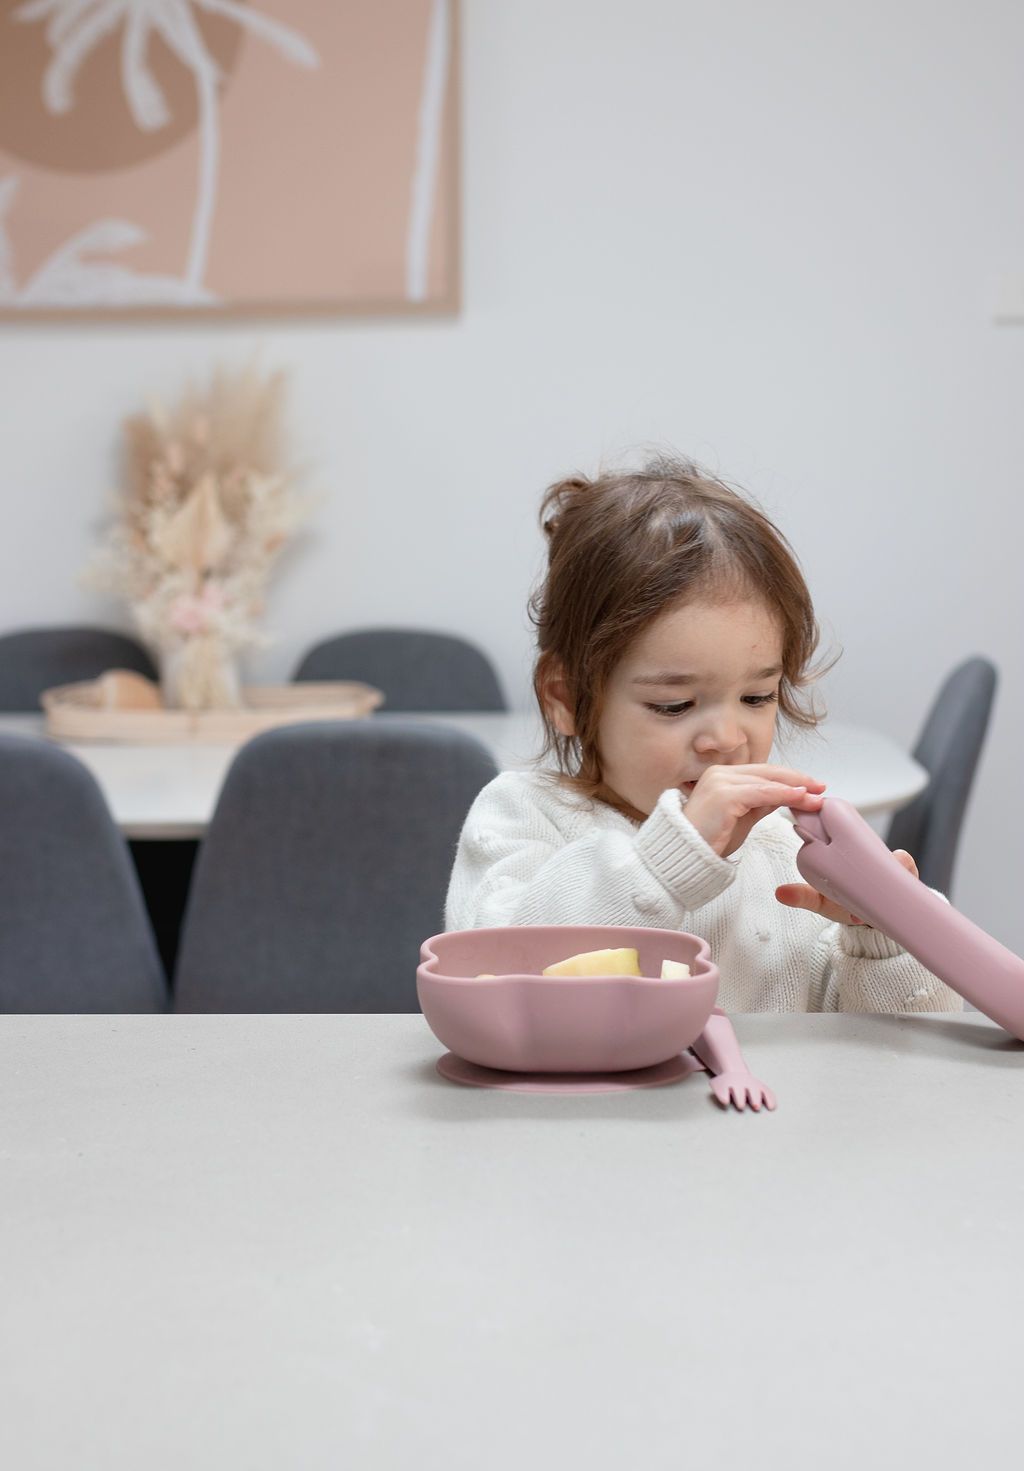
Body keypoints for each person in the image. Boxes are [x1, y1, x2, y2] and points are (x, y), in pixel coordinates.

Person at [445, 455, 962, 1013]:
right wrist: (667, 863)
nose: (726, 738)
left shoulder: (784, 853)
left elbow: (901, 1054)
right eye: (675, 704)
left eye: (757, 697)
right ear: (567, 698)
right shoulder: (520, 817)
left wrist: (884, 935)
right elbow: (492, 978)